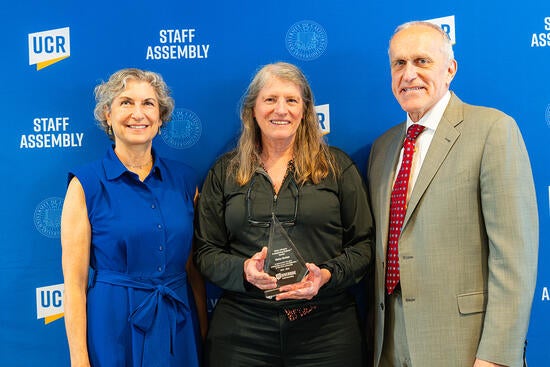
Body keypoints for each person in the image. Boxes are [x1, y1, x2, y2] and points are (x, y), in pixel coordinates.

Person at [367, 21, 538, 367]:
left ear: (450, 69)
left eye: (422, 61)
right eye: (399, 63)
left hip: (464, 346)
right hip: (388, 342)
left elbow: (514, 259)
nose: (409, 73)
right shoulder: (383, 148)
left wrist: (496, 357)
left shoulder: (492, 130)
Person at [194, 62, 374, 367]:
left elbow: (364, 245)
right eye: (270, 99)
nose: (281, 109)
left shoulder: (336, 167)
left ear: (304, 111)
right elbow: (205, 251)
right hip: (243, 331)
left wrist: (326, 275)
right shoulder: (225, 172)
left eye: (291, 100)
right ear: (252, 110)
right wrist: (244, 270)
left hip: (326, 330)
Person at [61, 68, 207, 367]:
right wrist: (78, 359)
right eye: (126, 103)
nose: (137, 113)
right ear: (107, 114)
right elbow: (74, 284)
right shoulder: (85, 184)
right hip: (112, 325)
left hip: (178, 323)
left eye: (148, 104)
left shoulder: (185, 181)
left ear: (161, 116)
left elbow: (194, 270)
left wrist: (203, 334)